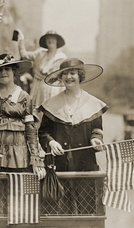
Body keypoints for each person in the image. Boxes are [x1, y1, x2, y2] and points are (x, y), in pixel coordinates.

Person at [0, 54, 46, 214]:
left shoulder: (24, 97)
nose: (3, 73)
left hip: (18, 157)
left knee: (15, 199)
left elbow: (31, 130)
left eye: (7, 69)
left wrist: (36, 160)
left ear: (14, 72)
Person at [37, 58, 106, 214]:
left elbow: (97, 129)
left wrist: (96, 139)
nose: (69, 77)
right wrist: (51, 143)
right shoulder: (51, 104)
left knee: (86, 209)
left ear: (80, 75)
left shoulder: (92, 103)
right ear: (60, 77)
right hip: (59, 166)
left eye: (73, 73)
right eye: (65, 73)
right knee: (59, 211)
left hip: (85, 165)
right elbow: (43, 132)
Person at [15, 30, 67, 107]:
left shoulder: (62, 58)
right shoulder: (39, 54)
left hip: (54, 91)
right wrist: (21, 40)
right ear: (45, 42)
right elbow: (24, 55)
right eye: (48, 38)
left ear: (57, 41)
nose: (50, 40)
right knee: (37, 112)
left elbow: (64, 78)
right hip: (39, 90)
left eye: (53, 38)